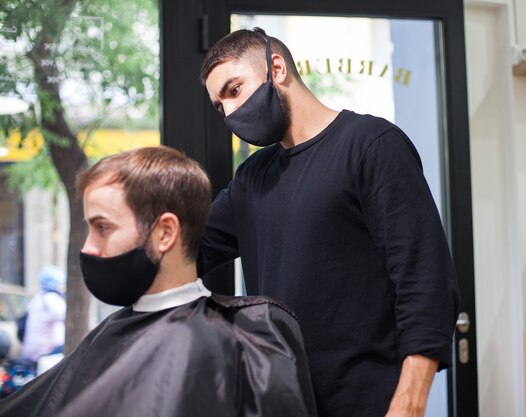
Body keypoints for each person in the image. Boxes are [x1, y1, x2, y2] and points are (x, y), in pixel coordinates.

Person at [198, 28, 461, 417]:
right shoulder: (252, 178)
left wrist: (409, 402)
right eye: (220, 106)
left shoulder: (371, 145)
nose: (231, 112)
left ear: (277, 68)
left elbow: (426, 281)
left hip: (369, 402)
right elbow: (189, 249)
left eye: (234, 90)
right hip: (284, 401)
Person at [0, 146, 317, 417]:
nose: (88, 248)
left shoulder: (245, 340)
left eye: (103, 228)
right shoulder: (112, 331)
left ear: (165, 232)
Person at [20, 265, 66, 364]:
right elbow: (69, 318)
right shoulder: (52, 298)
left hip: (30, 352)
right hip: (43, 353)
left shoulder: (37, 298)